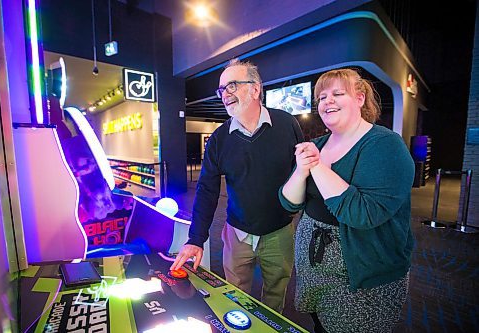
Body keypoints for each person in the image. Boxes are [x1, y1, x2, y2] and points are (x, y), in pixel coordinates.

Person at [279, 68, 414, 332]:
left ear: (360, 98)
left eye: (338, 93)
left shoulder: (385, 145)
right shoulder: (318, 144)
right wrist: (301, 169)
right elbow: (289, 203)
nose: (327, 101)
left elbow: (362, 214)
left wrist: (317, 166)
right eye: (321, 97)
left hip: (361, 281)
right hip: (315, 272)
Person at [170, 58, 304, 312]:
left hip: (280, 231)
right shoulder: (219, 139)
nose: (225, 94)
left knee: (275, 296)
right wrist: (196, 239)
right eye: (221, 89)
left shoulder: (287, 125)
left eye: (232, 85)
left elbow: (302, 173)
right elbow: (207, 190)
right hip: (236, 233)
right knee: (234, 295)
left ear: (256, 89)